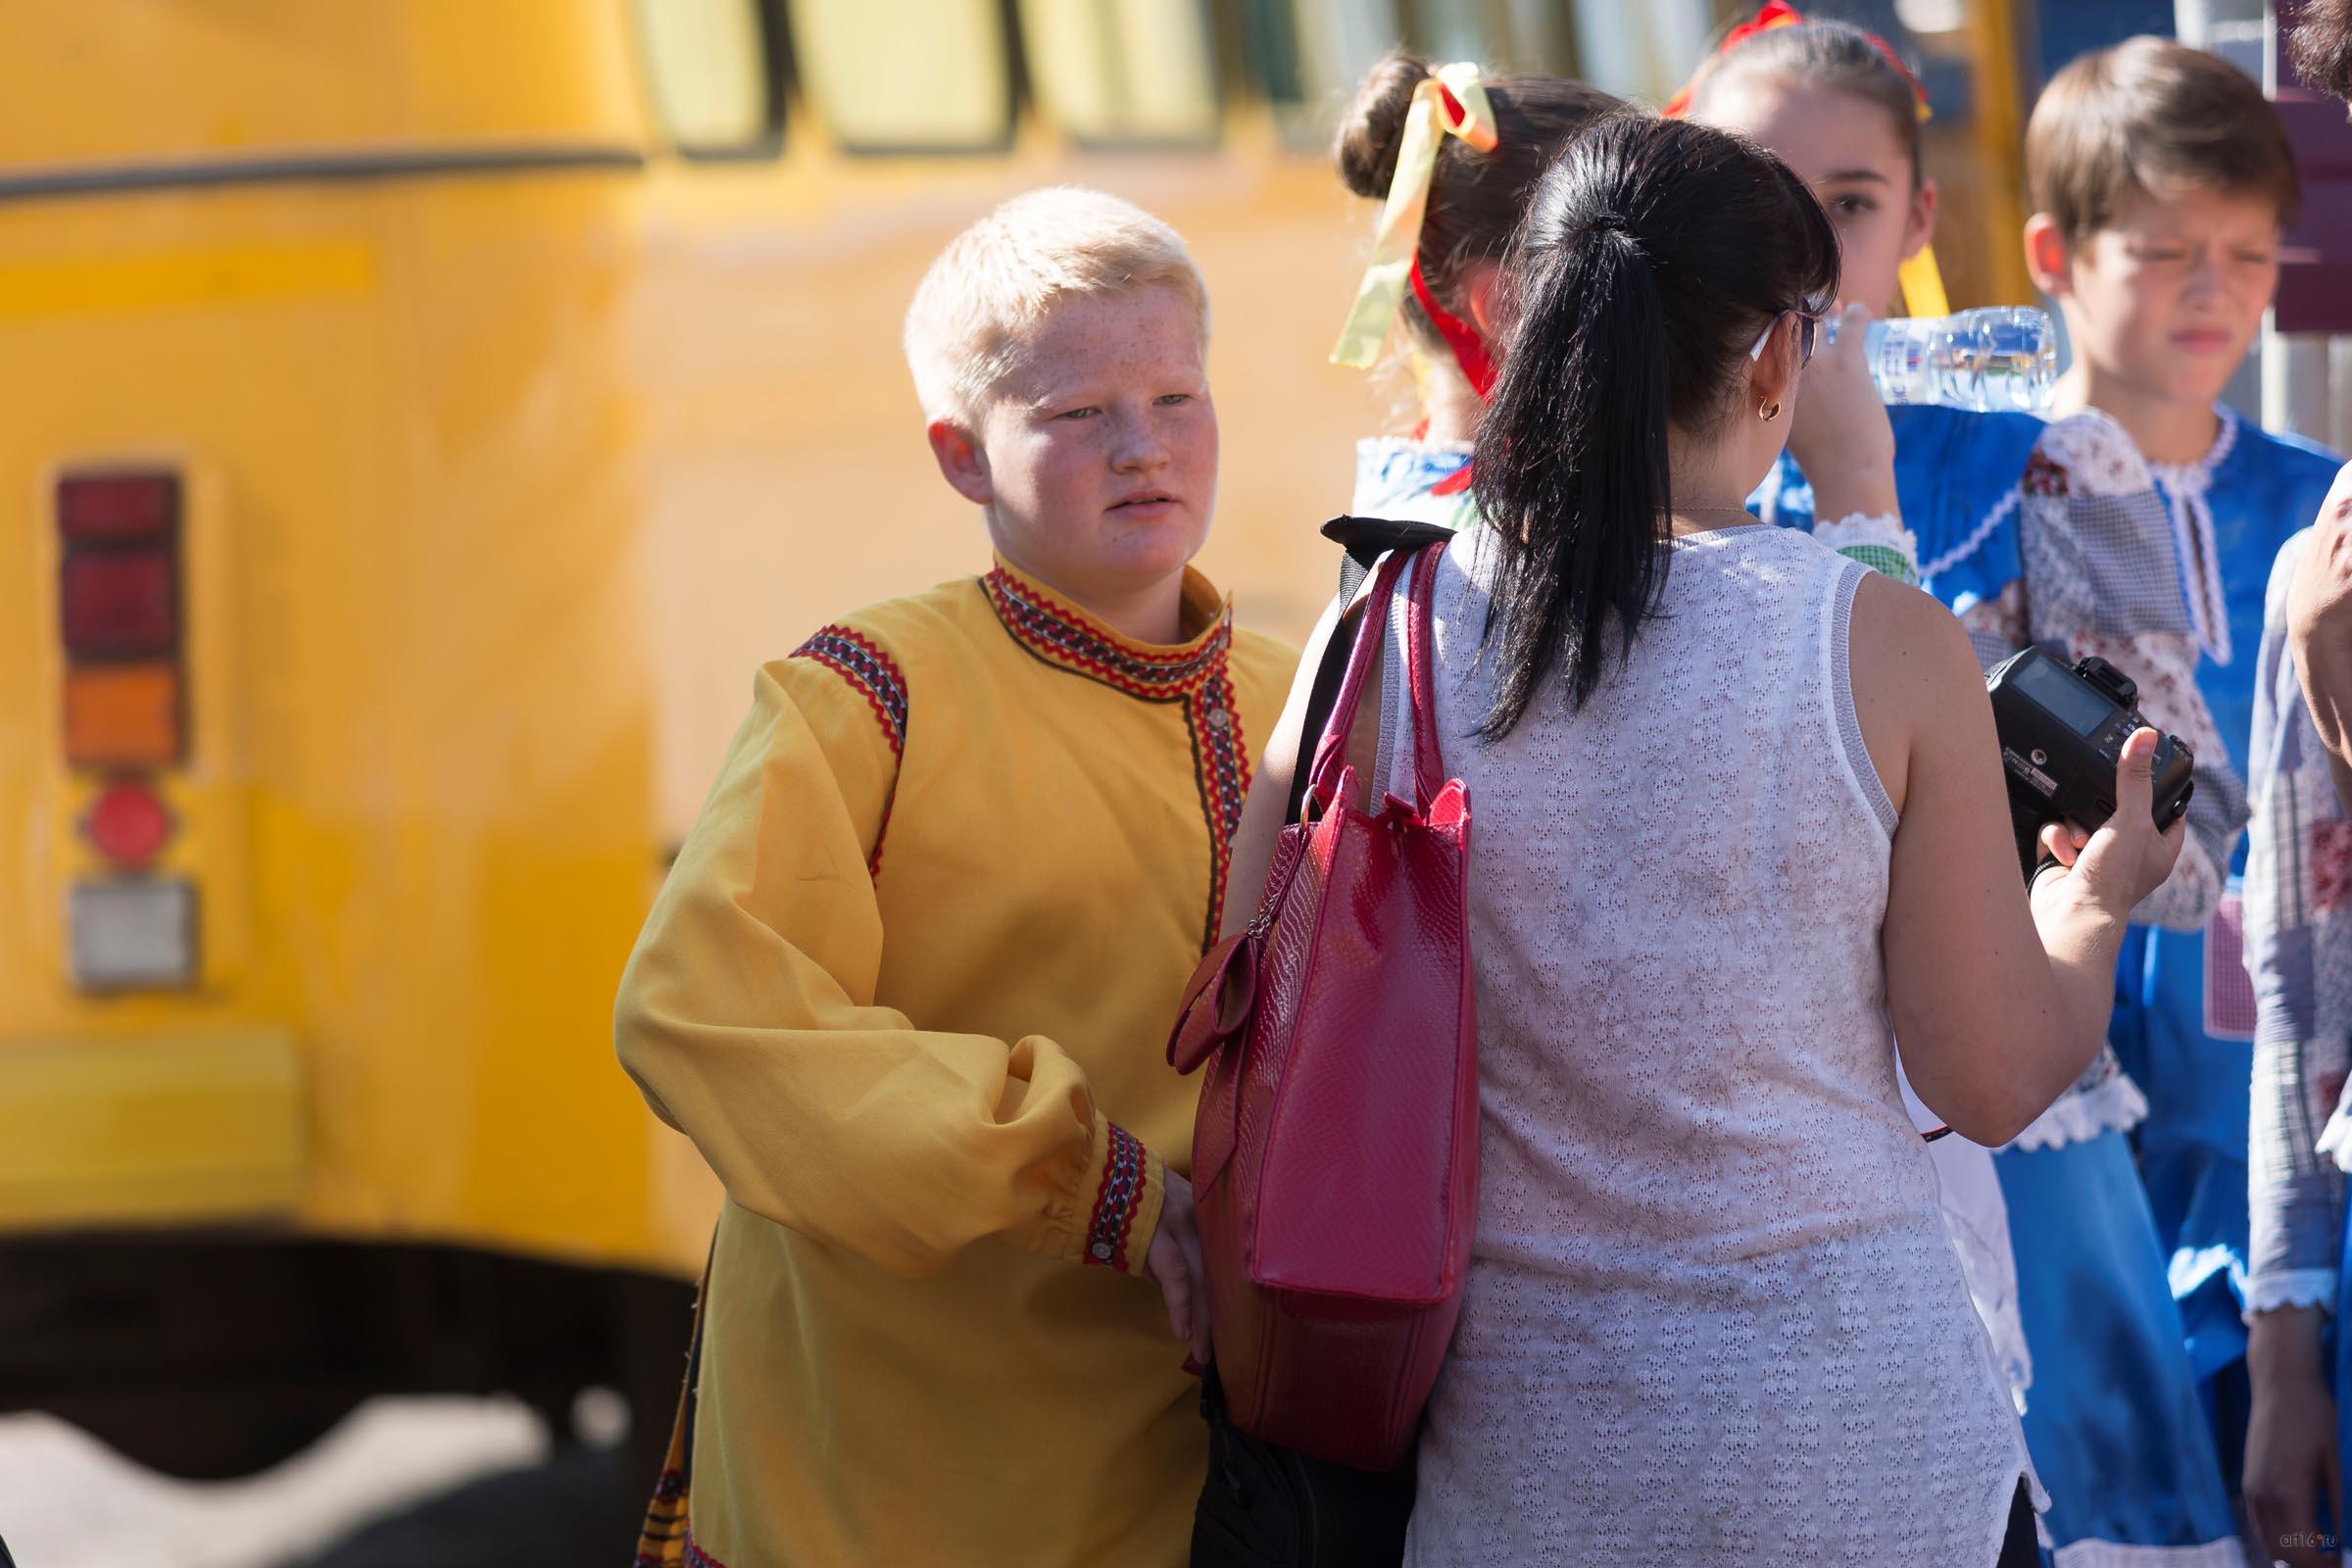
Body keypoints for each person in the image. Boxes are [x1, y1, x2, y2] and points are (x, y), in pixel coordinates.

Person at [1232, 108, 2183, 1564]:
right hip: (1870, 1470)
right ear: (1775, 358)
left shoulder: (1383, 634)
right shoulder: (1876, 640)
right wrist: (2097, 900)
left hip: (1523, 1480)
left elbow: (1252, 997)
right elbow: (1989, 1079)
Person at [612, 186, 1296, 1568]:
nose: (1143, 446)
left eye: (1176, 397)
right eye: (1076, 414)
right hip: (898, 1475)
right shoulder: (864, 695)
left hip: (1193, 1462)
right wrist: (1081, 1175)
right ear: (960, 457)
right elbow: (703, 1012)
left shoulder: (1307, 702)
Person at [1689, 23, 2249, 1562]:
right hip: (1751, 1182)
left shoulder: (2042, 465)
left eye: (1851, 204)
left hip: (2016, 1137)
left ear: (1925, 221)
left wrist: (2018, 773)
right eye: (1758, 201)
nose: (1803, 257)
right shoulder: (1654, 487)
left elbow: (2196, 849)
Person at [2023, 35, 2343, 1493]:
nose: (2214, 290)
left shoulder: (2314, 511)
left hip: (2272, 1128)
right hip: (2059, 1103)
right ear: (2055, 252)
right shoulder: (1976, 501)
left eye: (2248, 249)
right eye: (2165, 251)